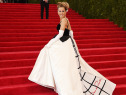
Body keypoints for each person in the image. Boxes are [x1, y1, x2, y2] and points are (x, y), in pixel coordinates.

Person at [28, 2, 116, 95]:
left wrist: (49, 44)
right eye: (59, 11)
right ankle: (52, 79)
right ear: (57, 11)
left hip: (64, 42)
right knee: (65, 64)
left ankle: (51, 79)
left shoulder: (64, 20)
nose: (61, 12)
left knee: (48, 52)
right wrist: (73, 43)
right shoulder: (66, 19)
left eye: (63, 11)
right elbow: (71, 32)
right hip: (67, 42)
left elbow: (61, 34)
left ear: (66, 11)